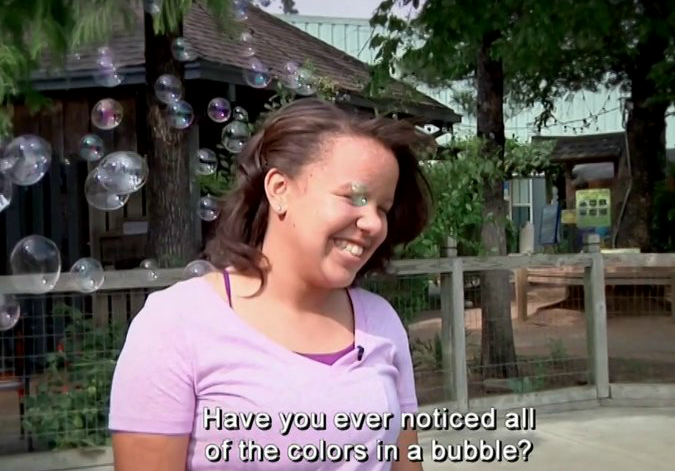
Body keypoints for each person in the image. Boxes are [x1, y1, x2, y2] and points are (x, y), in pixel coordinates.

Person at [109, 98, 434, 471]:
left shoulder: (381, 323)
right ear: (279, 188)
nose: (374, 224)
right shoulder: (176, 323)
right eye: (355, 197)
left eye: (382, 207)